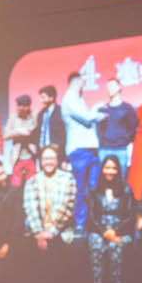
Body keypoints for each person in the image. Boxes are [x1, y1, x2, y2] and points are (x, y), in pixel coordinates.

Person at [22, 143, 78, 268]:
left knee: (58, 262)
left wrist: (50, 233)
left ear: (57, 160)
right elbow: (30, 208)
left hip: (60, 230)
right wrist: (39, 233)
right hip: (37, 232)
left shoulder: (68, 179)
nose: (49, 162)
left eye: (52, 159)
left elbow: (66, 208)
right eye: (45, 159)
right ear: (41, 161)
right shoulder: (32, 181)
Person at [86, 154, 135, 283]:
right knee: (95, 243)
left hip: (120, 231)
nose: (110, 171)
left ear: (118, 170)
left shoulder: (126, 191)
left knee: (115, 245)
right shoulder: (95, 191)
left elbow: (130, 216)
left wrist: (115, 232)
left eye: (114, 168)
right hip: (99, 231)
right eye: (107, 168)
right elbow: (92, 217)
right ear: (102, 169)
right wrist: (103, 232)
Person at [60, 69, 102, 227]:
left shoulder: (78, 99)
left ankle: (92, 222)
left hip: (90, 149)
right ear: (77, 82)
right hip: (79, 149)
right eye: (82, 82)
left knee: (92, 188)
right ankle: (80, 224)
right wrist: (99, 110)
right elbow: (87, 117)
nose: (83, 85)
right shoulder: (70, 98)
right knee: (81, 190)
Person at [94, 72, 139, 177]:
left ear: (120, 87)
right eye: (108, 87)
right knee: (104, 178)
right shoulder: (102, 109)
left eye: (112, 86)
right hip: (104, 149)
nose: (110, 89)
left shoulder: (127, 108)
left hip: (121, 149)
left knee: (121, 178)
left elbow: (132, 127)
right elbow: (99, 129)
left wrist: (124, 140)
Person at [3, 93, 38, 187]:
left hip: (31, 156)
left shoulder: (34, 116)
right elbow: (5, 136)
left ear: (27, 106)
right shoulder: (13, 117)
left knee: (32, 183)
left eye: (22, 106)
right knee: (16, 185)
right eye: (18, 105)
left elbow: (38, 131)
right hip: (17, 157)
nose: (19, 108)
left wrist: (31, 131)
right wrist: (18, 132)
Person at [34, 84, 66, 161]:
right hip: (42, 152)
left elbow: (64, 134)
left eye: (43, 97)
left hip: (57, 153)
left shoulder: (61, 112)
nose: (40, 100)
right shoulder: (41, 114)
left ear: (51, 98)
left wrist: (64, 156)